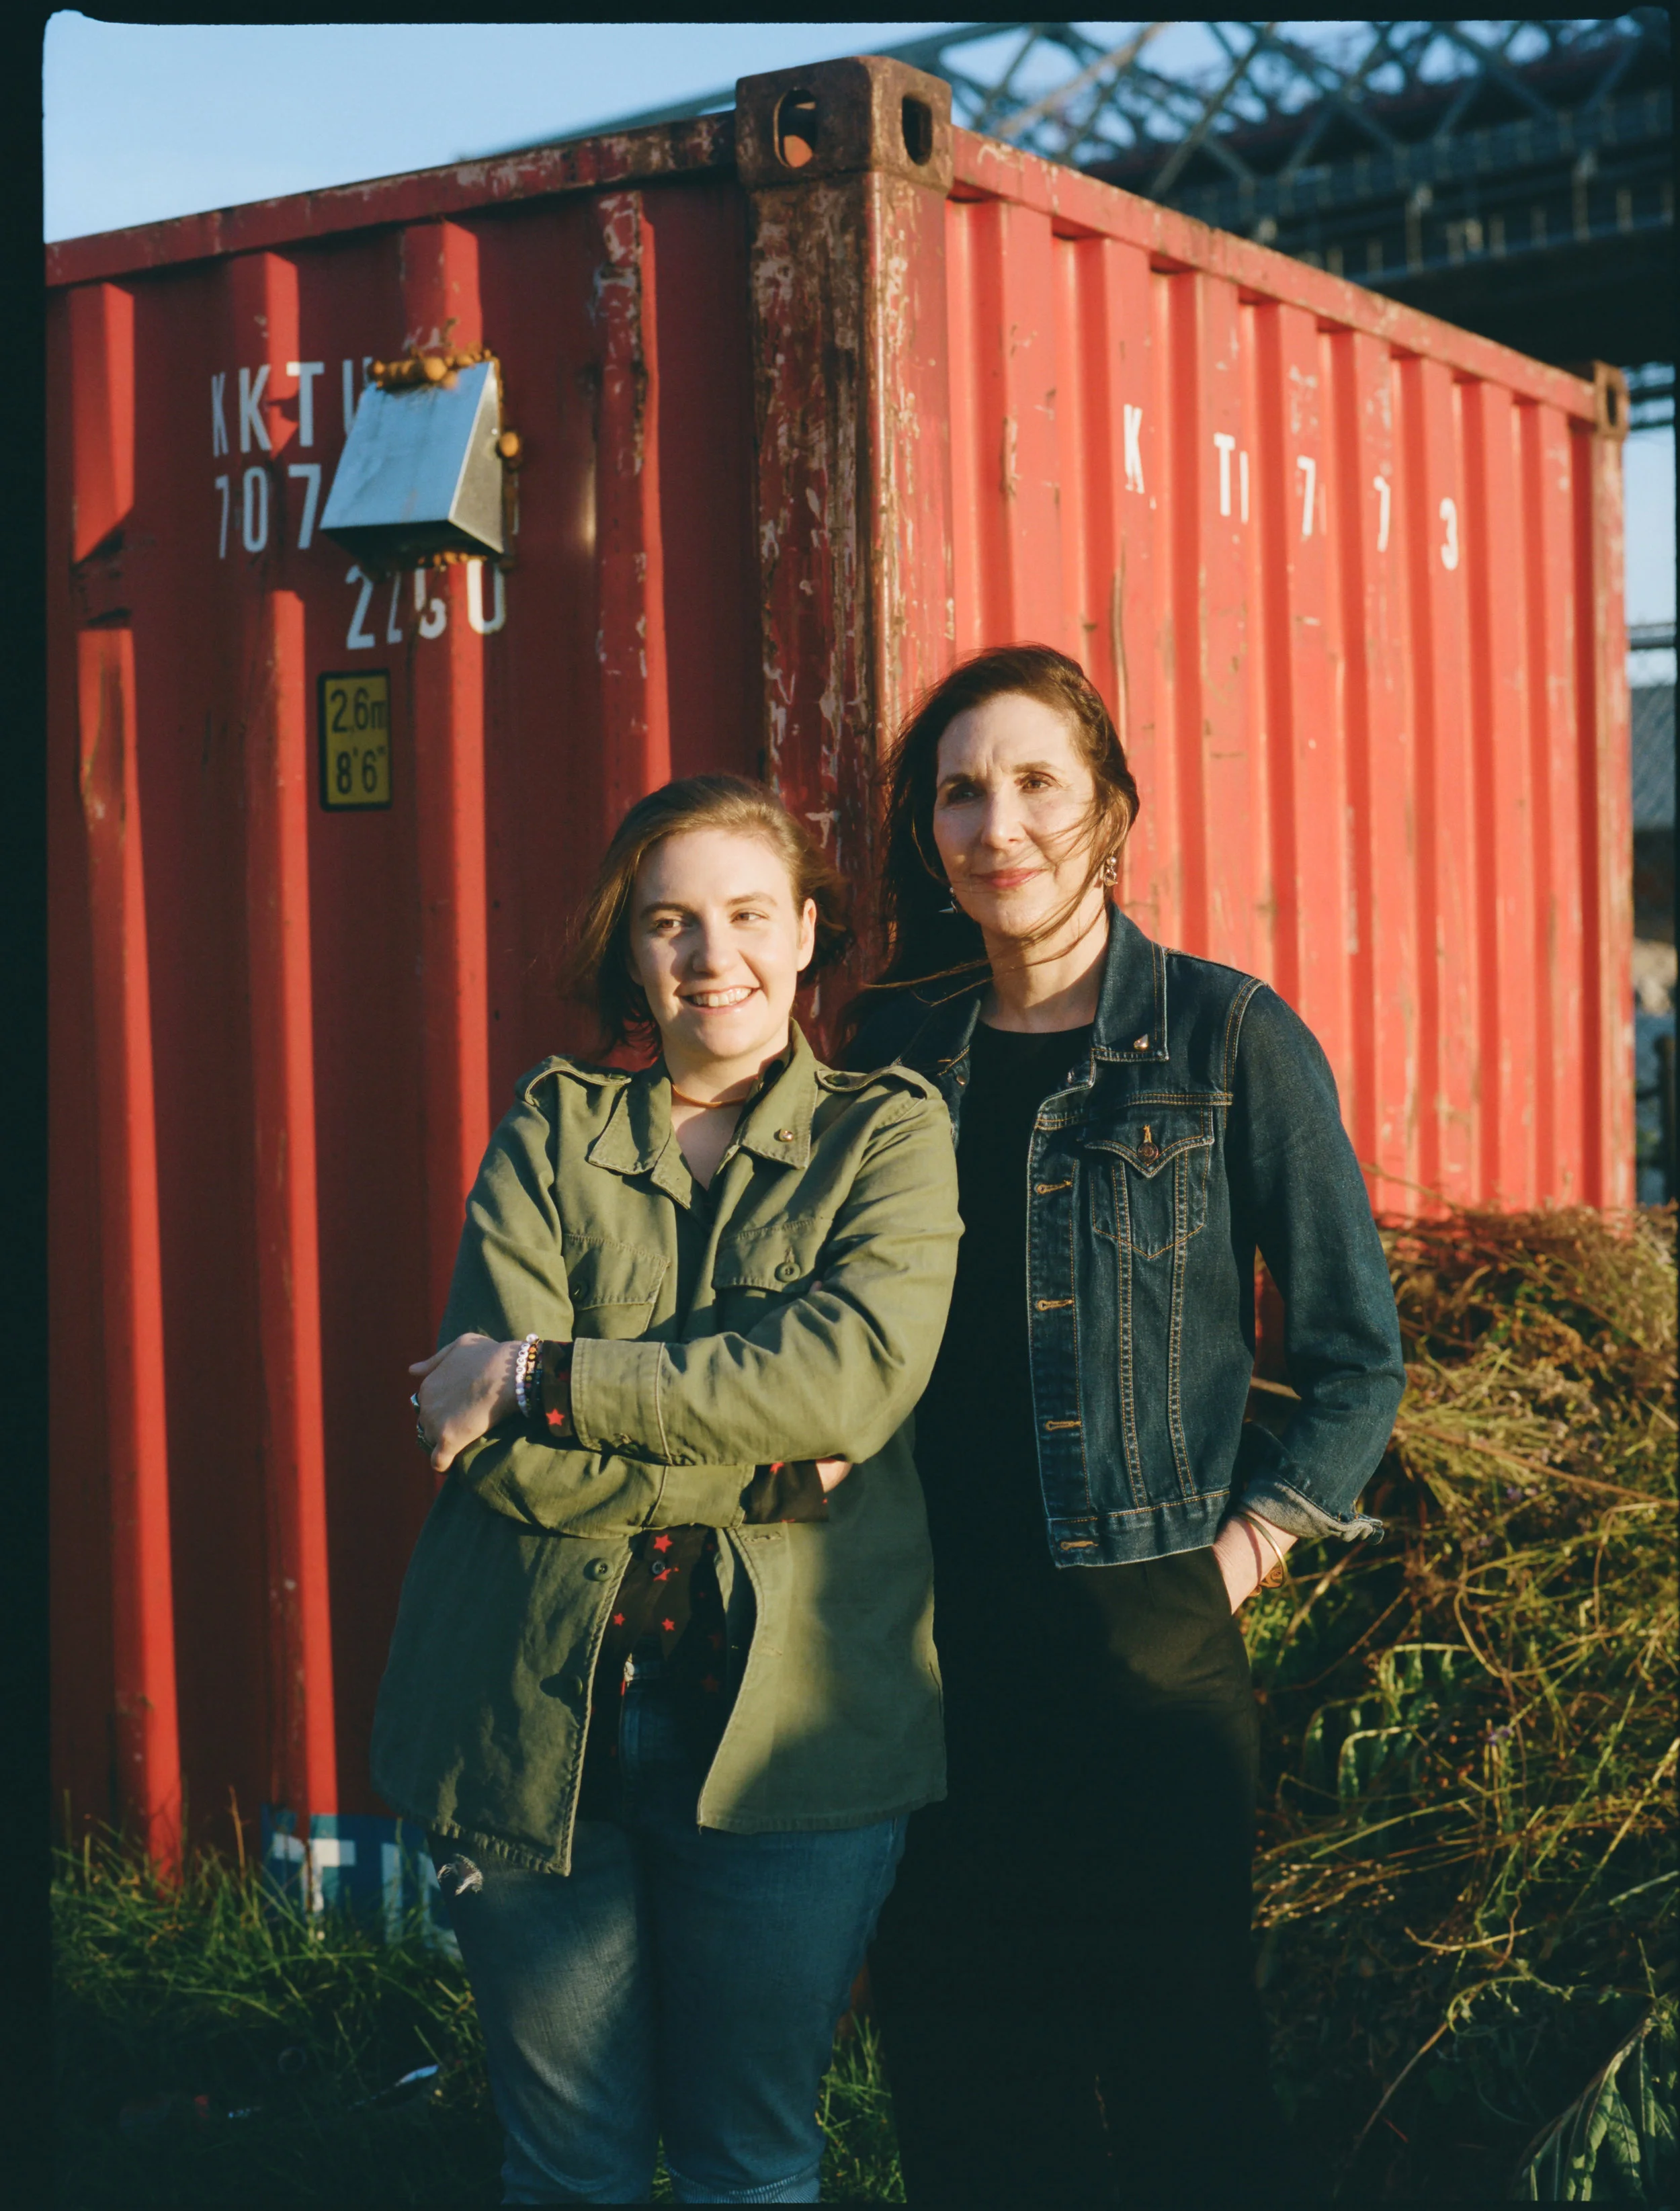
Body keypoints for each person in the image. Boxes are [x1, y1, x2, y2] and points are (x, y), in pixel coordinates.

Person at [841, 645, 1406, 2208]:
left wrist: (1236, 1556)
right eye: (960, 789)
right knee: (963, 2077)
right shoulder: (891, 1044)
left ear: (1109, 811)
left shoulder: (1225, 1038)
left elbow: (1358, 1355)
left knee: (1180, 2087)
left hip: (1142, 1655)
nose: (994, 823)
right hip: (921, 1654)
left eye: (1034, 782)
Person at [371, 775, 960, 2207]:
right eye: (671, 924)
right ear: (629, 950)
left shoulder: (888, 1134)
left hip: (788, 1744)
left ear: (810, 934)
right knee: (564, 2163)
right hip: (531, 1716)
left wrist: (535, 1373)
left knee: (746, 2161)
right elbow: (500, 1457)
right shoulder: (553, 1128)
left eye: (750, 916)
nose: (715, 959)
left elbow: (849, 1378)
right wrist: (760, 1452)